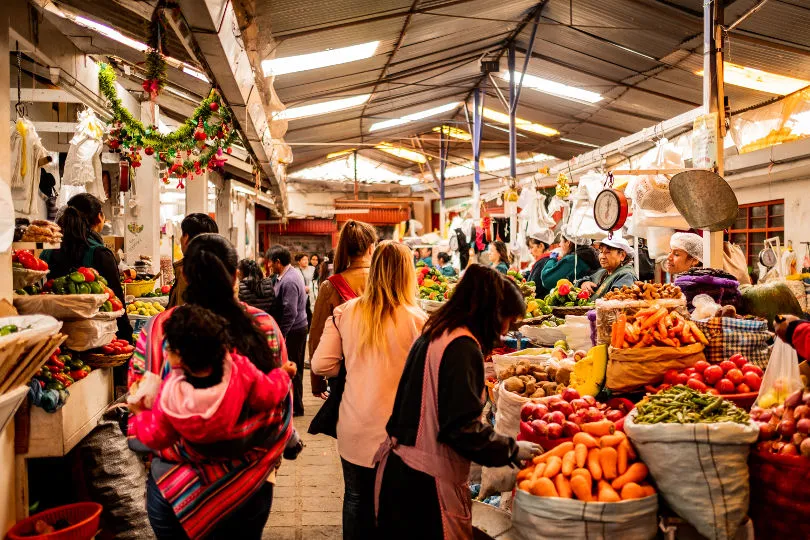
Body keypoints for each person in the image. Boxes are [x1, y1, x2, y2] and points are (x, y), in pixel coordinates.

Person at [126, 234, 291, 539]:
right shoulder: (264, 325)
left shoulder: (160, 327)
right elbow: (281, 403)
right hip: (248, 486)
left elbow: (140, 398)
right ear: (235, 274)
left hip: (176, 489)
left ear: (185, 276)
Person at [375, 265, 542, 538]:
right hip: (422, 488)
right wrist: (510, 449)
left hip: (402, 474)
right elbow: (461, 430)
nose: (505, 329)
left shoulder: (438, 331)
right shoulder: (462, 348)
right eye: (508, 320)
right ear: (492, 312)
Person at [312, 241, 428, 540]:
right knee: (396, 503)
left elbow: (321, 364)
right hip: (401, 433)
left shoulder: (345, 313)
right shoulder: (419, 321)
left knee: (355, 497)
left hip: (355, 425)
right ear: (407, 274)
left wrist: (354, 365)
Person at [128, 304, 295, 450]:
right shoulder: (239, 370)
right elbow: (267, 394)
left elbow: (158, 437)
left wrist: (140, 415)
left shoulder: (171, 391)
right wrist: (283, 374)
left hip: (196, 454)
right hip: (236, 447)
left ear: (179, 356)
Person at [41, 193, 132, 342]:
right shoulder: (100, 254)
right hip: (94, 339)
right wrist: (127, 338)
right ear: (99, 217)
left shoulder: (48, 250)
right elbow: (118, 304)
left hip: (56, 335)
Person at [310, 222, 377, 399]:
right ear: (371, 248)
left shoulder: (330, 286)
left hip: (344, 375)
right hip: (383, 372)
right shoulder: (386, 281)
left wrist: (317, 382)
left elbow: (317, 334)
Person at [267, 245, 308, 417]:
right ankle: (295, 405)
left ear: (278, 262)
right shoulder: (284, 276)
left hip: (295, 331)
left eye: (270, 262)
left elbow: (290, 311)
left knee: (293, 368)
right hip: (295, 328)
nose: (268, 266)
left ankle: (297, 407)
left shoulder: (289, 280)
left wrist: (282, 333)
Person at [167, 213, 218, 308]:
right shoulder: (219, 268)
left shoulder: (188, 271)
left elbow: (182, 313)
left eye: (182, 235)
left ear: (186, 238)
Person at [576, 236, 638, 300]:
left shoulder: (626, 275)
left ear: (622, 255)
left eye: (608, 252)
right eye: (601, 252)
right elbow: (587, 279)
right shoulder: (604, 271)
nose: (602, 256)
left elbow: (617, 301)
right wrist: (584, 282)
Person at [524, 230, 554, 296]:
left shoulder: (542, 262)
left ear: (541, 246)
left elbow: (535, 286)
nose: (530, 252)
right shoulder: (549, 260)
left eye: (531, 247)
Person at [296, 253, 315, 327]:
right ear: (299, 261)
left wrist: (310, 288)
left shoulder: (313, 269)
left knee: (311, 311)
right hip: (302, 295)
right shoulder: (296, 271)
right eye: (303, 259)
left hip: (312, 294)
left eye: (307, 259)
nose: (306, 261)